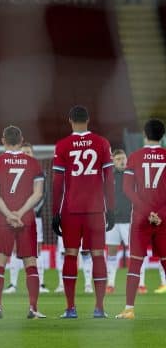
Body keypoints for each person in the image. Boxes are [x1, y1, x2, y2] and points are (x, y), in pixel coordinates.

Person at [52, 105, 115, 319]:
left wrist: (55, 213)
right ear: (88, 120)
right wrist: (111, 209)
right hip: (96, 210)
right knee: (98, 255)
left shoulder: (62, 145)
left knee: (71, 254)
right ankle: (99, 308)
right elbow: (109, 180)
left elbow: (57, 183)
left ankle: (70, 308)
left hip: (71, 210)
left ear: (70, 120)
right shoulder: (102, 143)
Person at [0, 125, 46, 319]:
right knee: (30, 262)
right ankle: (33, 309)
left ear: (3, 140)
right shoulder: (34, 163)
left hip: (3, 218)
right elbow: (38, 193)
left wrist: (9, 214)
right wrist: (19, 213)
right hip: (26, 218)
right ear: (21, 141)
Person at [116, 119, 166, 319]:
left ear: (145, 135)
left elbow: (127, 189)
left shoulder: (135, 157)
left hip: (140, 219)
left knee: (135, 263)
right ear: (162, 136)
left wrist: (147, 212)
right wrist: (159, 214)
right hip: (163, 219)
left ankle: (129, 309)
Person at [8, 143, 50, 294]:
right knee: (14, 248)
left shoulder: (39, 172)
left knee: (36, 249)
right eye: (23, 152)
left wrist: (29, 212)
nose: (26, 154)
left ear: (32, 154)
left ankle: (41, 284)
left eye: (28, 152)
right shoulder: (12, 171)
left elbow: (42, 196)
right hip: (15, 217)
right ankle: (12, 284)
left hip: (34, 217)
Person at [106, 149, 148, 294]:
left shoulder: (134, 175)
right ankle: (110, 283)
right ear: (113, 161)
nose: (122, 161)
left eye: (123, 158)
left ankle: (141, 284)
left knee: (136, 252)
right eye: (118, 159)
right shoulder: (108, 177)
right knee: (111, 252)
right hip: (113, 221)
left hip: (130, 220)